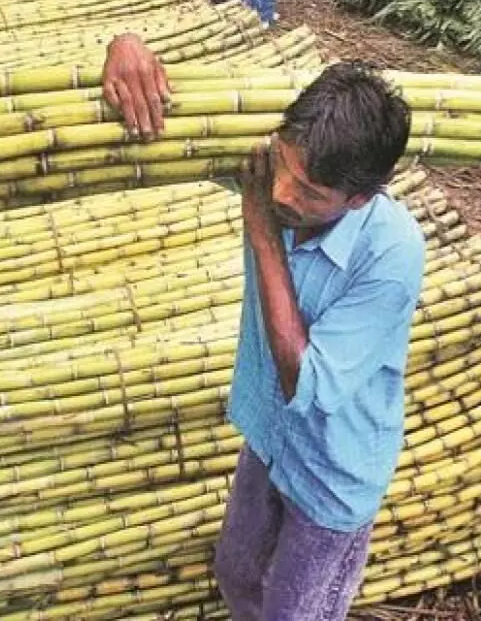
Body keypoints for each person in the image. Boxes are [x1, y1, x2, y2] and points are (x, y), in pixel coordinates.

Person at [100, 38, 425, 621]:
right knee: (237, 569)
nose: (281, 195)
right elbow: (163, 119)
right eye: (284, 169)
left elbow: (307, 380)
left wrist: (261, 228)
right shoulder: (273, 167)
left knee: (293, 612)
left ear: (358, 199)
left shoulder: (392, 253)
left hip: (334, 470)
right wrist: (127, 50)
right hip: (270, 435)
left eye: (309, 194)